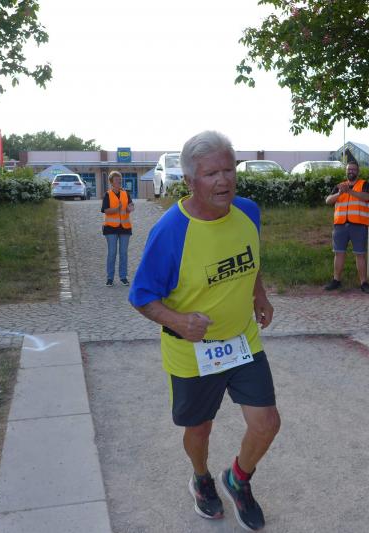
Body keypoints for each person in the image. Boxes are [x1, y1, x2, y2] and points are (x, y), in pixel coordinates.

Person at [128, 131, 280, 531]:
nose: (223, 180)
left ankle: (238, 478)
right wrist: (179, 321)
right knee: (199, 428)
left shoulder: (248, 211)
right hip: (191, 350)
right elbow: (141, 296)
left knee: (267, 422)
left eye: (229, 170)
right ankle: (201, 478)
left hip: (242, 340)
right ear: (190, 180)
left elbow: (250, 258)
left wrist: (259, 294)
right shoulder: (170, 231)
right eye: (212, 173)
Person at [323, 160, 369, 294]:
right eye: (349, 169)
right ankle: (336, 280)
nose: (351, 171)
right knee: (339, 253)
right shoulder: (340, 186)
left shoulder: (363, 184)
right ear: (346, 171)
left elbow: (366, 197)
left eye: (353, 169)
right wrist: (340, 193)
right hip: (340, 225)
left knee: (360, 254)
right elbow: (328, 200)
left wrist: (349, 191)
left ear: (358, 171)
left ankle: (363, 283)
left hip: (358, 224)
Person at [101, 171, 134, 286]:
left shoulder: (125, 193)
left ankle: (123, 277)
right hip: (110, 228)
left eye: (120, 179)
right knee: (112, 253)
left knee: (123, 253)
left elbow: (130, 206)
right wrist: (117, 209)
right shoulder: (107, 195)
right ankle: (110, 278)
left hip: (125, 227)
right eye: (116, 180)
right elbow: (105, 210)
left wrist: (130, 208)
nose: (119, 181)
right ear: (111, 182)